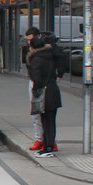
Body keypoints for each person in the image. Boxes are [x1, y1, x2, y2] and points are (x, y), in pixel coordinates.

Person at [26, 27, 62, 157]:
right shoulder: (49, 56)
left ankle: (47, 147)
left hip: (44, 93)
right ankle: (49, 145)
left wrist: (35, 92)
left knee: (44, 121)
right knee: (50, 121)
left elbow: (37, 79)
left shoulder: (36, 60)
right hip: (53, 91)